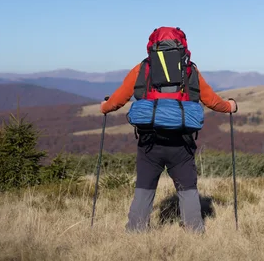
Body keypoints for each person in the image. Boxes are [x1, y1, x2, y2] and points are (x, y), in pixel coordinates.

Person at [100, 26, 237, 233]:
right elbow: (211, 100)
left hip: (149, 141)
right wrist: (230, 106)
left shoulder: (142, 69)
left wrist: (105, 106)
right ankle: (194, 231)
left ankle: (136, 231)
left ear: (152, 46)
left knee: (144, 187)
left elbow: (118, 99)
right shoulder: (189, 70)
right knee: (188, 188)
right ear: (182, 46)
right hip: (181, 141)